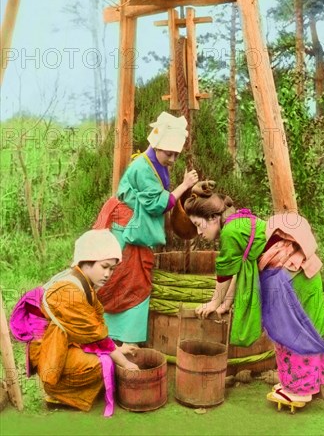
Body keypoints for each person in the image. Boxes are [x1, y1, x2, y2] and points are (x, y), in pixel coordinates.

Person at [184, 182, 324, 411]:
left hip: (293, 280)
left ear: (213, 217)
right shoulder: (237, 222)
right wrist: (225, 303)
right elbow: (240, 268)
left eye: (198, 225)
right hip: (297, 274)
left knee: (295, 332)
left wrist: (215, 302)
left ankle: (299, 391)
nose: (198, 232)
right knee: (304, 328)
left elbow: (225, 273)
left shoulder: (230, 232)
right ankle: (300, 386)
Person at [94, 111, 199, 346]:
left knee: (135, 283)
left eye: (176, 155)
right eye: (169, 154)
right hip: (128, 231)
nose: (172, 160)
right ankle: (115, 339)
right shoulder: (142, 168)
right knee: (126, 281)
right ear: (156, 147)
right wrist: (185, 185)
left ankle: (125, 340)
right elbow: (157, 205)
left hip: (134, 228)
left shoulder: (153, 162)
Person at [10, 229, 139, 416]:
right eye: (104, 266)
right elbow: (95, 334)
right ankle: (56, 392)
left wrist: (118, 350)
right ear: (85, 263)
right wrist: (125, 363)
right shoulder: (68, 291)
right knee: (100, 364)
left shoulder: (83, 282)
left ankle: (67, 387)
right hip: (49, 350)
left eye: (112, 268)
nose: (108, 273)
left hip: (61, 342)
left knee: (106, 358)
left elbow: (95, 327)